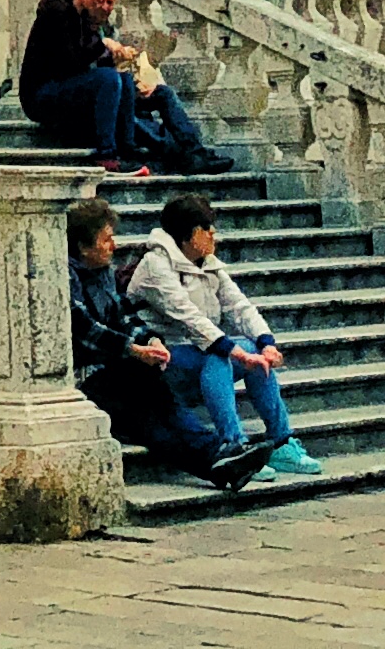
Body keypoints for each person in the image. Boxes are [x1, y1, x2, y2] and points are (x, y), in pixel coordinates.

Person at [67, 197, 268, 493]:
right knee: (146, 415)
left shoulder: (103, 272)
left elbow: (124, 316)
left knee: (155, 410)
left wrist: (149, 339)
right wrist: (133, 349)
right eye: (106, 239)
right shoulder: (67, 276)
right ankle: (217, 456)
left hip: (115, 371)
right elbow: (84, 328)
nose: (113, 245)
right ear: (84, 247)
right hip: (85, 376)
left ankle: (219, 460)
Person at [128, 191, 323, 480]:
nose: (213, 234)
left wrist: (266, 343)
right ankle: (236, 446)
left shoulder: (208, 263)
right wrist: (235, 351)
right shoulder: (155, 265)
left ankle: (282, 441)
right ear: (189, 234)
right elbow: (188, 317)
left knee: (251, 353)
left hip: (200, 353)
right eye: (206, 228)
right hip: (165, 358)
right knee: (219, 357)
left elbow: (239, 306)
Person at [19, 0, 224, 175]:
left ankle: (139, 150)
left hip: (76, 90)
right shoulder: (56, 12)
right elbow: (70, 63)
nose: (101, 0)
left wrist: (130, 79)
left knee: (135, 84)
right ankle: (108, 155)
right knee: (109, 79)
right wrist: (104, 46)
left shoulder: (83, 17)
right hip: (43, 95)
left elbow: (94, 64)